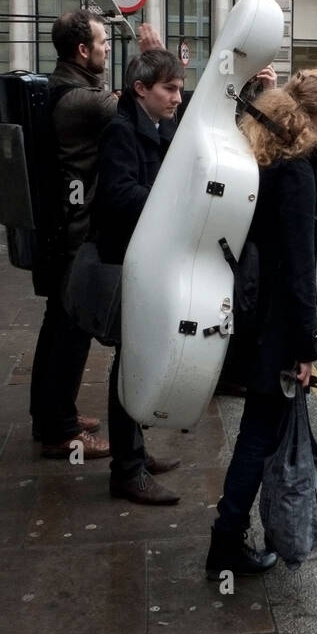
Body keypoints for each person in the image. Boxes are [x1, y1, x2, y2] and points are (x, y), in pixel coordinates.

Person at [206, 69, 317, 579]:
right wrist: (306, 347)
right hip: (275, 325)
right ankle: (226, 543)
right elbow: (298, 269)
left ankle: (269, 529)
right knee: (260, 434)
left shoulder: (266, 156)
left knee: (263, 431)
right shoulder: (297, 169)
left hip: (251, 312)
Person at [91, 49, 187, 505]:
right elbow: (119, 195)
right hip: (127, 261)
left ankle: (135, 453)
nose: (177, 97)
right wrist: (171, 199)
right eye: (169, 89)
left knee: (140, 358)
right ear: (141, 89)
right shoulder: (120, 131)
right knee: (131, 362)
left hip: (147, 257)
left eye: (180, 87)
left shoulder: (156, 124)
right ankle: (127, 471)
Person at [28, 9, 116, 458]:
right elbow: (149, 113)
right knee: (70, 329)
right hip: (75, 235)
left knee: (59, 327)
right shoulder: (84, 100)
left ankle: (51, 414)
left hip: (59, 230)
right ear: (82, 50)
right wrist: (155, 57)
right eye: (102, 43)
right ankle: (61, 431)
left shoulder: (62, 88)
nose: (106, 48)